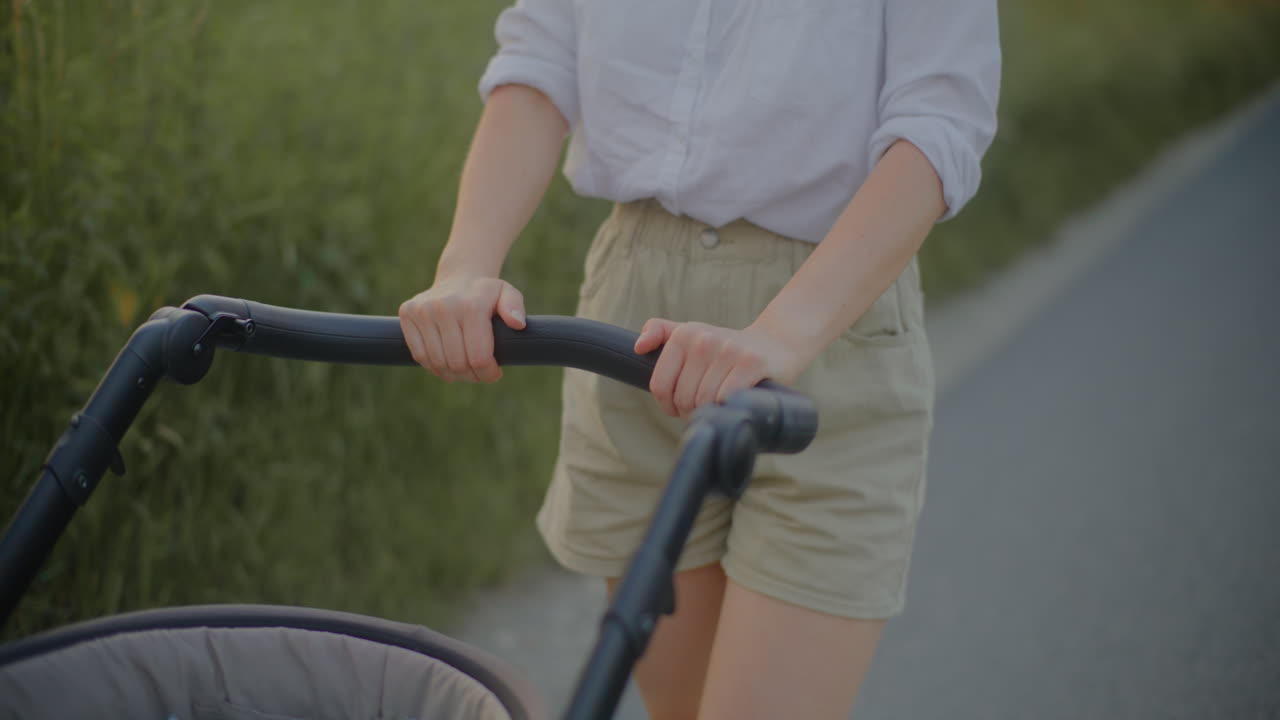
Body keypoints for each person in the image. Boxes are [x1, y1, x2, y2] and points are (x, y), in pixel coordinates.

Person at [399, 1, 1000, 717]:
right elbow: (539, 61)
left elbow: (937, 122)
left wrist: (781, 333)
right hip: (634, 319)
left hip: (825, 318)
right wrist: (466, 266)